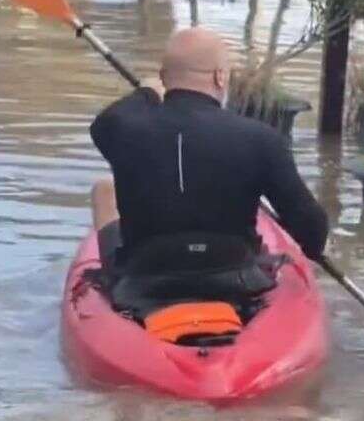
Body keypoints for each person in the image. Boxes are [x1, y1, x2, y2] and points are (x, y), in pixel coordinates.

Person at [88, 28, 329, 311]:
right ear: (220, 77)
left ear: (164, 78)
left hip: (143, 283)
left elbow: (104, 123)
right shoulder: (262, 139)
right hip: (237, 281)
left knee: (104, 189)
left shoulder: (123, 129)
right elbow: (313, 233)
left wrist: (147, 92)